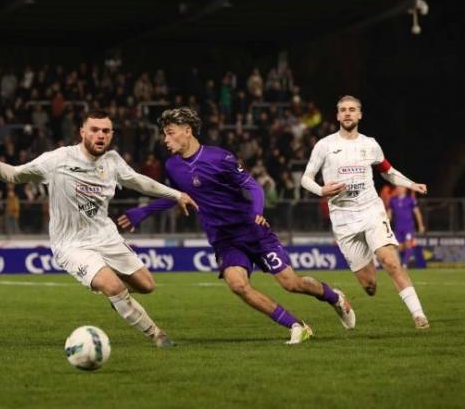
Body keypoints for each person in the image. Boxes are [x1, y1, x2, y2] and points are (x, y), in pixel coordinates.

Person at [118, 108, 355, 345]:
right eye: (164, 134)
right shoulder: (172, 166)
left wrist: (257, 213)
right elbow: (177, 196)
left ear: (187, 131)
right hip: (224, 239)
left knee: (291, 284)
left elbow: (253, 187)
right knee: (238, 285)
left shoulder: (220, 157)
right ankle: (297, 326)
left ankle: (334, 297)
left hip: (252, 231)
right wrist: (143, 212)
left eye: (170, 133)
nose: (165, 139)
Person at [0, 110, 198, 347]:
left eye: (106, 131)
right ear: (82, 132)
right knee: (113, 285)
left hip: (106, 236)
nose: (100, 135)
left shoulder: (112, 161)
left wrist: (177, 195)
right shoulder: (58, 160)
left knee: (147, 286)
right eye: (94, 130)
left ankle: (117, 297)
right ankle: (156, 334)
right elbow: (15, 175)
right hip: (71, 244)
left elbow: (141, 182)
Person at [300, 95, 429, 329]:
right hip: (343, 219)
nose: (347, 113)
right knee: (369, 286)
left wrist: (411, 184)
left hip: (371, 210)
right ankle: (338, 296)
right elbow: (305, 179)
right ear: (338, 115)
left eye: (352, 109)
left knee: (390, 262)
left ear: (359, 114)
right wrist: (321, 190)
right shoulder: (324, 145)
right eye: (343, 110)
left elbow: (387, 171)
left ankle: (419, 316)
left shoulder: (370, 144)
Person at [387, 186, 425, 268]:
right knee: (399, 247)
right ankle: (401, 261)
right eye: (397, 187)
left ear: (405, 189)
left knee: (408, 244)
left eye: (401, 187)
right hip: (398, 227)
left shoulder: (410, 199)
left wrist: (420, 225)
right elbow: (389, 214)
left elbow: (417, 212)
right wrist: (385, 225)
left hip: (408, 226)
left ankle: (404, 265)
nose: (399, 189)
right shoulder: (393, 200)